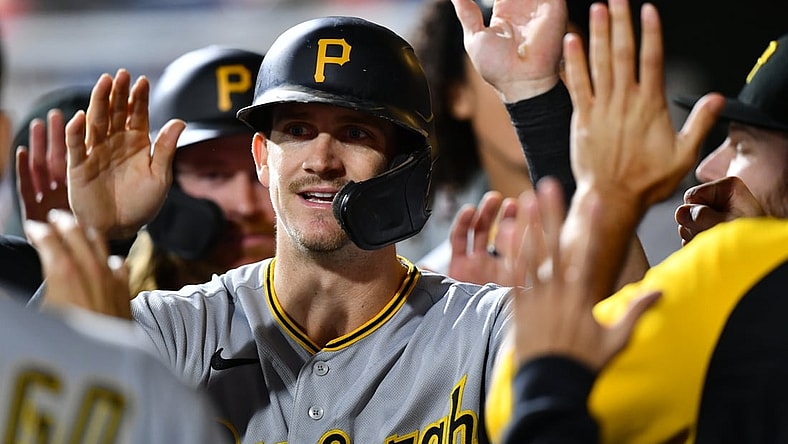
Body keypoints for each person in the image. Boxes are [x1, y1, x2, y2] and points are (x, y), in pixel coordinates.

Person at [43, 16, 519, 442]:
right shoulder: (177, 329)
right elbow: (24, 393)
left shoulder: (482, 328)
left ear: (404, 166)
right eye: (297, 131)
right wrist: (100, 236)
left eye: (356, 133)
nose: (321, 161)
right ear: (262, 158)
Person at [475, 0, 788, 442]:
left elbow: (518, 394)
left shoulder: (747, 265)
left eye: (744, 148)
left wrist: (611, 193)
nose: (709, 167)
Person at [399, 0, 533, 276]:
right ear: (457, 94)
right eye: (509, 56)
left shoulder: (639, 223)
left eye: (560, 60)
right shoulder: (437, 289)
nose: (535, 85)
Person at [126, 45, 276, 293]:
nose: (246, 206)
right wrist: (105, 240)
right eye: (213, 175)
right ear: (166, 186)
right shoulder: (119, 308)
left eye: (264, 168)